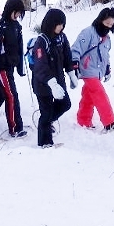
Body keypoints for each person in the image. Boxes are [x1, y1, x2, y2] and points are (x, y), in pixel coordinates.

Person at [71, 7, 114, 132]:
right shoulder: (88, 32)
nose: (108, 26)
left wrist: (107, 68)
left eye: (111, 25)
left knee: (88, 96)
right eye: (107, 23)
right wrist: (74, 64)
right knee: (99, 93)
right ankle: (109, 122)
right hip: (87, 69)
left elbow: (106, 55)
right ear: (100, 20)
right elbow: (76, 49)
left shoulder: (107, 39)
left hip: (98, 71)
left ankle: (83, 120)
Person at [31, 8, 73, 148]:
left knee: (65, 104)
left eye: (62, 24)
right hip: (43, 84)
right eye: (58, 24)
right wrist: (52, 83)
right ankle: (45, 142)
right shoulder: (41, 41)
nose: (61, 27)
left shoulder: (62, 38)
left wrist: (71, 73)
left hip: (59, 81)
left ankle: (46, 124)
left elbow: (67, 55)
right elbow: (40, 66)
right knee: (46, 112)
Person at [0, 0, 28, 138]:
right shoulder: (1, 27)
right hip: (1, 68)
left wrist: (20, 67)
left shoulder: (17, 27)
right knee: (11, 96)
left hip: (10, 66)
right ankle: (16, 127)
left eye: (20, 13)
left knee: (0, 95)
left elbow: (19, 48)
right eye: (16, 12)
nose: (18, 15)